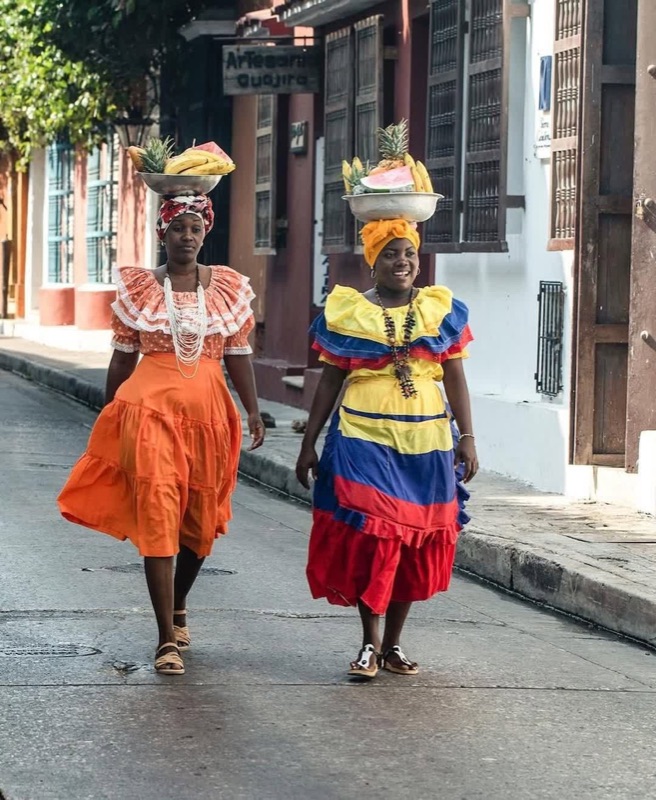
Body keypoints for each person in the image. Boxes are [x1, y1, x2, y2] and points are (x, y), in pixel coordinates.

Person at [58, 194, 265, 676]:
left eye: (194, 228)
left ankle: (178, 603)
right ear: (162, 235)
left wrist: (253, 411)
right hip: (149, 413)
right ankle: (165, 639)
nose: (186, 237)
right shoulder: (141, 289)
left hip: (211, 417)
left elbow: (238, 354)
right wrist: (109, 414)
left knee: (199, 521)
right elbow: (122, 357)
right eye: (177, 229)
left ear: (204, 233)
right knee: (158, 515)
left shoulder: (228, 287)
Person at [295, 218, 477, 680]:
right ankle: (368, 645)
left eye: (409, 253)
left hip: (428, 444)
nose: (402, 262)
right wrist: (309, 442)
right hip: (362, 440)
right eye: (391, 254)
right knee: (376, 537)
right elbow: (330, 380)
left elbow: (454, 376)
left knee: (412, 543)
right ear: (372, 262)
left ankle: (393, 645)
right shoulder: (350, 312)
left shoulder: (441, 310)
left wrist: (468, 438)